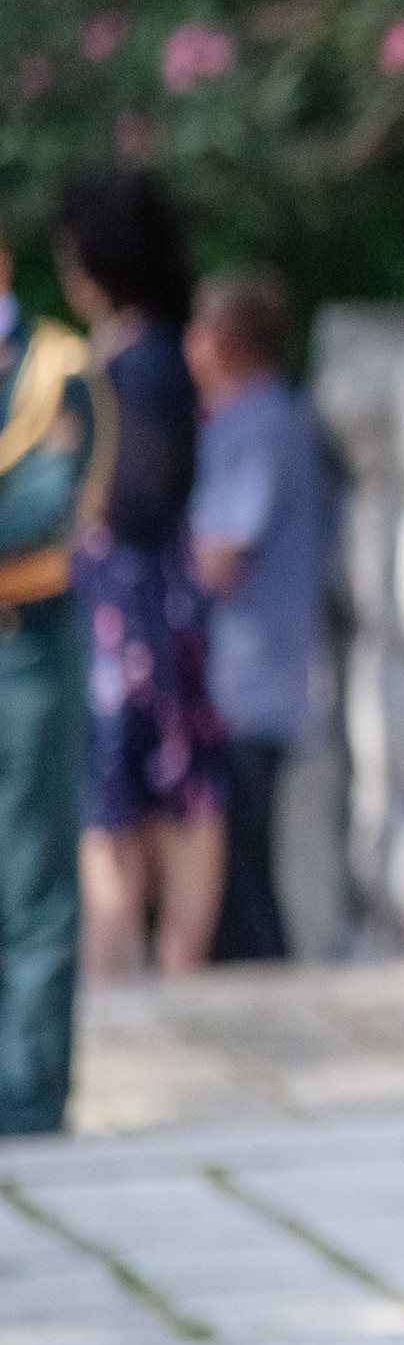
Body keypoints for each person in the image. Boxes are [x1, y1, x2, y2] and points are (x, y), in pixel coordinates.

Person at [56, 175, 228, 981]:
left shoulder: (139, 362)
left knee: (138, 794)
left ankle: (142, 966)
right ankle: (150, 965)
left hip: (132, 611)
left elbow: (139, 499)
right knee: (159, 785)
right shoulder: (151, 351)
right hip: (147, 606)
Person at [184, 268, 340, 965]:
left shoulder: (261, 426)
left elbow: (220, 553)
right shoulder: (270, 418)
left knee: (241, 871)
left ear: (223, 344)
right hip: (250, 679)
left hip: (250, 682)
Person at [0, 236, 103, 1134]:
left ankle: (28, 1097)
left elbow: (40, 509)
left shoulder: (53, 368)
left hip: (25, 648)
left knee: (31, 876)